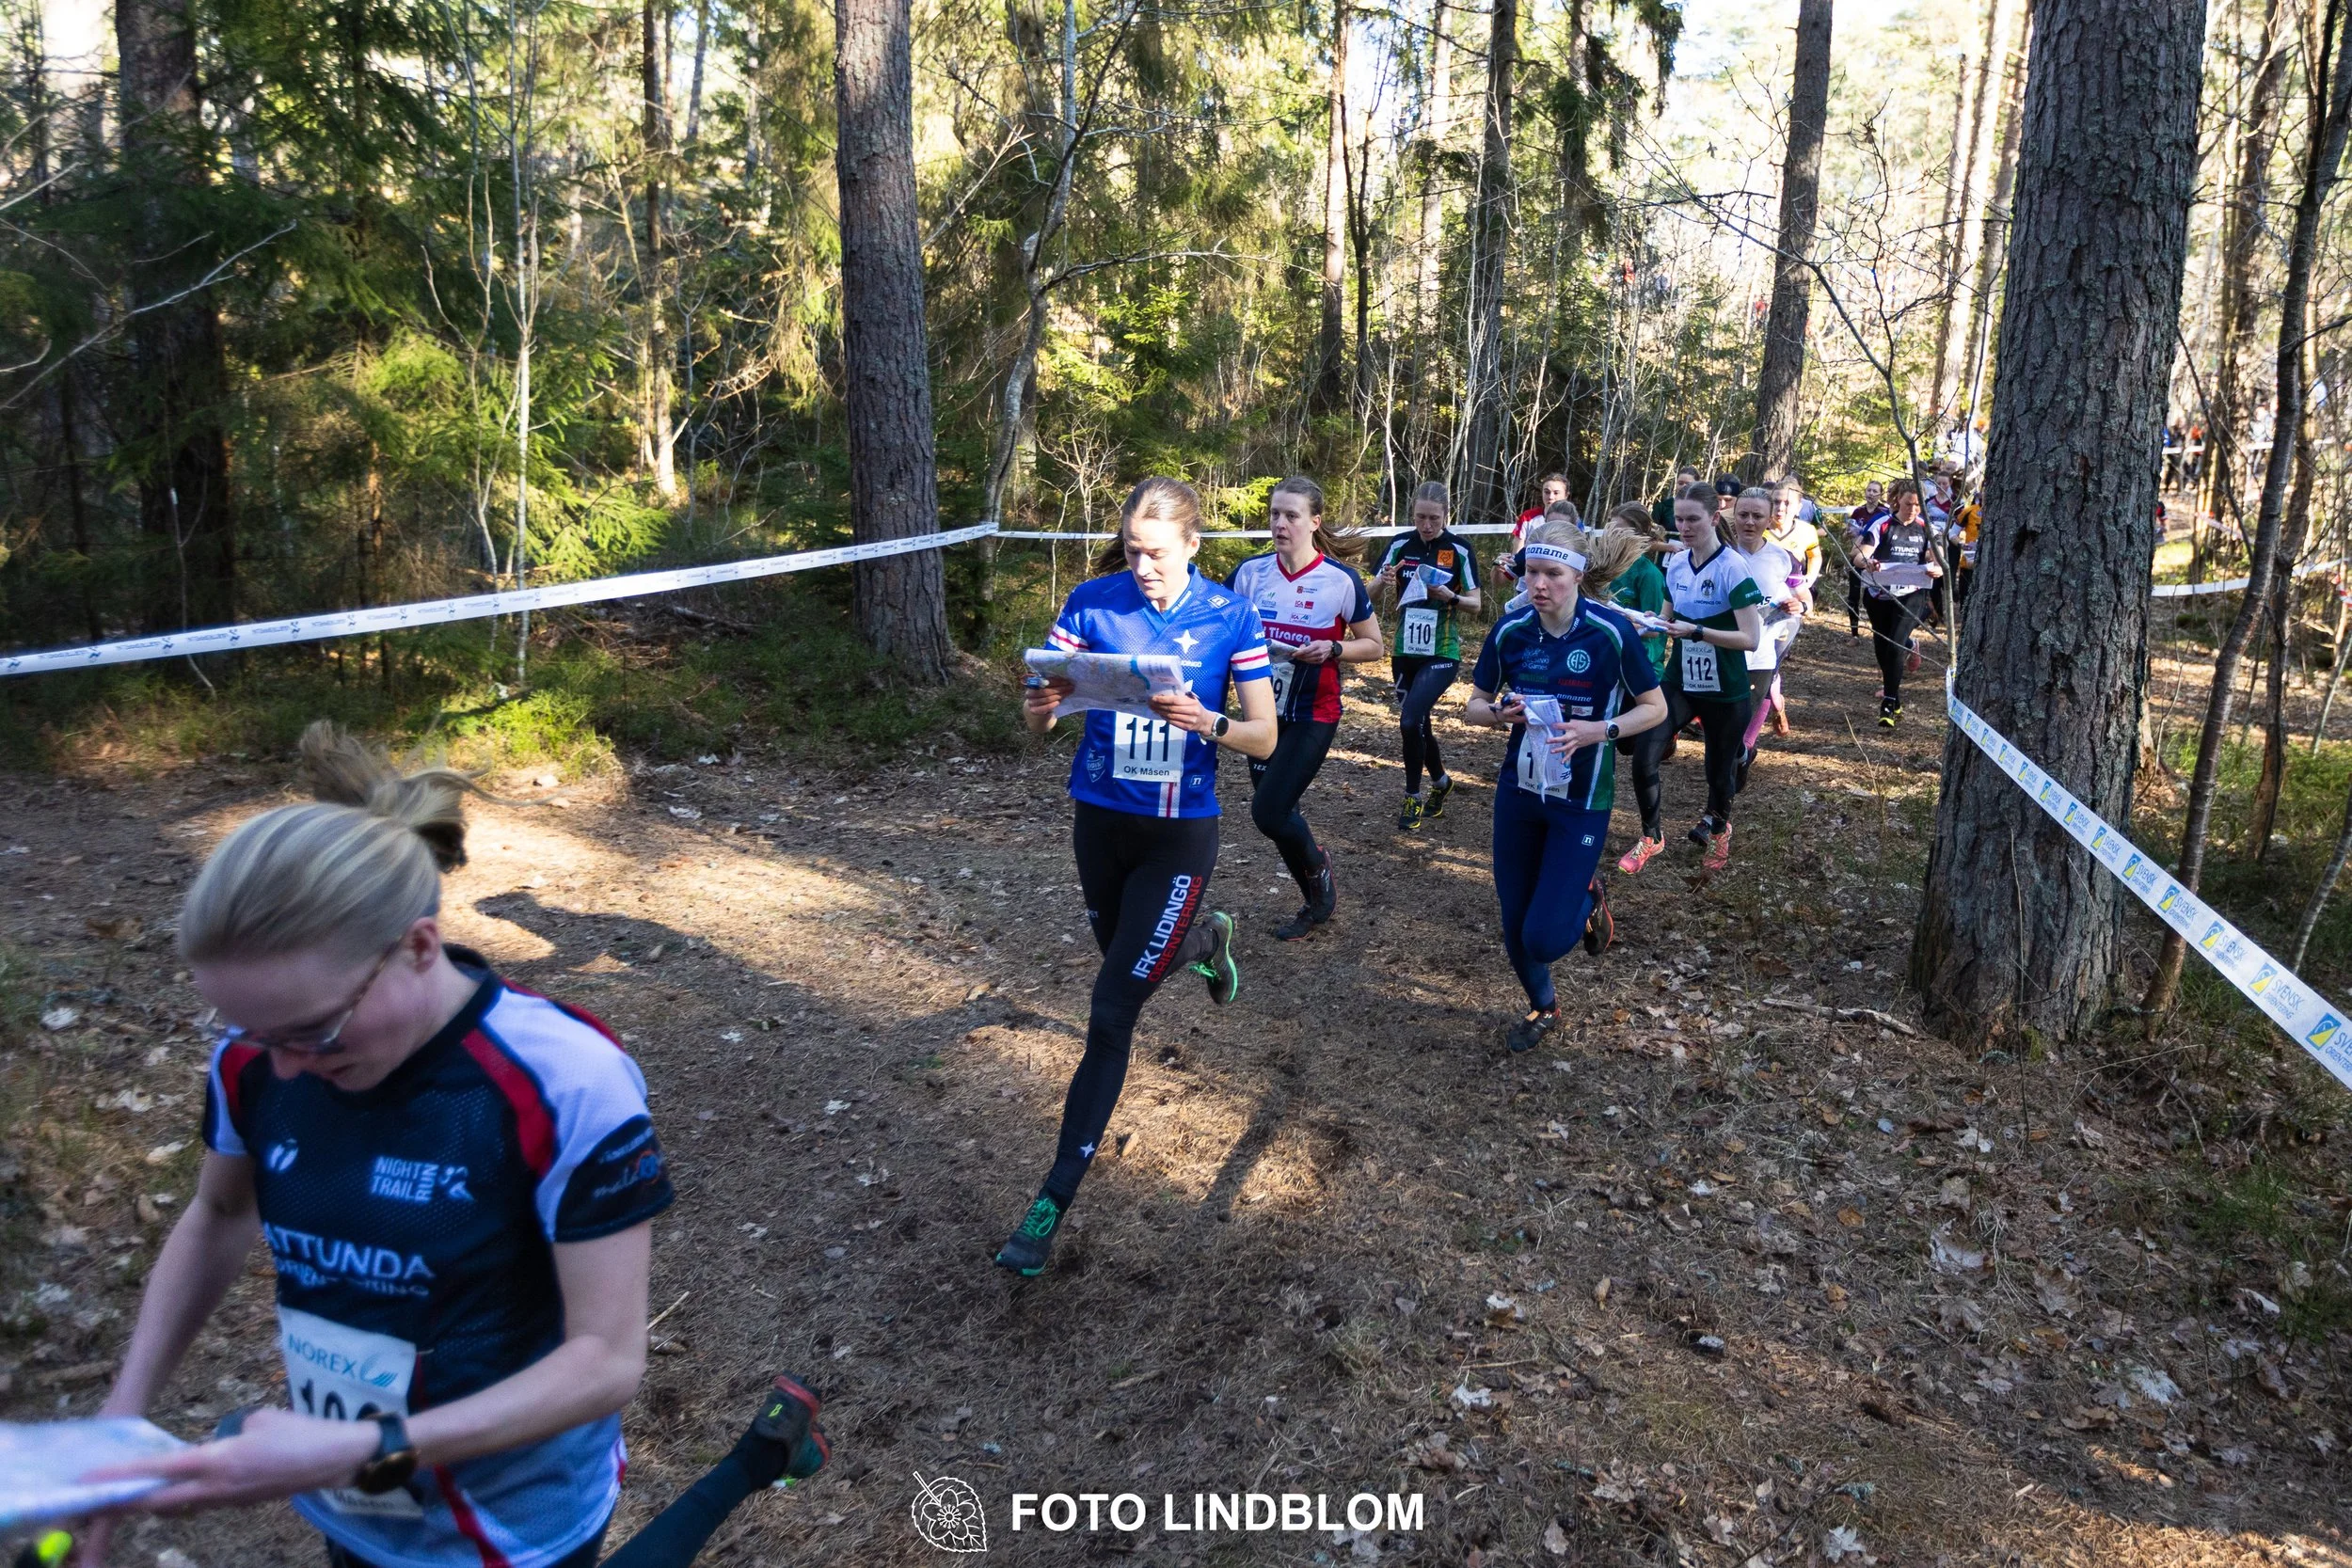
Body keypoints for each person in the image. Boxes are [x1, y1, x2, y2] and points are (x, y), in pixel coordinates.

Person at [70, 722, 739, 1568]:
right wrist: (122, 1419)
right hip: (352, 1504)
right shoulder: (258, 1055)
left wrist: (360, 1447)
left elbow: (606, 1361)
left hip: (512, 1528)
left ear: (419, 946)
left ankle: (751, 1462)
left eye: (315, 1028)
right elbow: (217, 1212)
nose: (283, 1066)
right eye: (245, 1028)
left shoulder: (565, 1080)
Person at [1004, 477, 1276, 1275]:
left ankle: (1051, 1198)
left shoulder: (1231, 614)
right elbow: (1036, 716)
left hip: (1179, 835)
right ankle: (1201, 940)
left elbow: (1263, 737)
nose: (1144, 565)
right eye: (1132, 550)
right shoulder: (1092, 601)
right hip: (1100, 822)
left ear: (1193, 545)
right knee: (1121, 960)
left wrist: (1210, 722)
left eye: (1157, 552)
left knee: (1111, 1006)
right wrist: (1045, 701)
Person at [1467, 517, 1668, 1053]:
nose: (1538, 586)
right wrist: (1499, 714)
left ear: (1577, 576)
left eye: (1551, 574)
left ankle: (1588, 896)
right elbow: (1473, 706)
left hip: (1581, 800)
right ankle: (1544, 1006)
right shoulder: (1510, 631)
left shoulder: (1608, 632)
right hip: (1520, 793)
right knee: (1515, 922)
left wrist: (1597, 730)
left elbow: (1656, 708)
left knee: (1547, 936)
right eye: (1530, 572)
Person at [1226, 476, 1381, 940]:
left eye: (1291, 515)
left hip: (1315, 713)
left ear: (1314, 522)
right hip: (1263, 714)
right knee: (1276, 811)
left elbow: (1374, 646)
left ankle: (1317, 872)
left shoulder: (1340, 581)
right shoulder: (1249, 574)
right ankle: (1316, 895)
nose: (1280, 523)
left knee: (1269, 812)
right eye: (1274, 514)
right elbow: (1221, 636)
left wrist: (1333, 649)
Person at [1661, 483, 1765, 869]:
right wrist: (1641, 624)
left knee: (1718, 771)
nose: (1684, 527)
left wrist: (1699, 632)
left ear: (1714, 518)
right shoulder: (1675, 563)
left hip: (1731, 679)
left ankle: (1717, 825)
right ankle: (1650, 833)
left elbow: (1751, 639)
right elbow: (1666, 616)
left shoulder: (1735, 566)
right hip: (1683, 677)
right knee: (1645, 742)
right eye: (1679, 519)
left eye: (1693, 519)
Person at [1374, 481, 1483, 830]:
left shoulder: (1460, 550)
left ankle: (1412, 797)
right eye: (1420, 517)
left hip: (1443, 651)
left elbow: (1477, 605)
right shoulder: (1399, 544)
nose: (1426, 525)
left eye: (1433, 518)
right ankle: (1441, 782)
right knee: (1420, 723)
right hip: (1405, 650)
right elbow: (1368, 594)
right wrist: (1383, 581)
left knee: (1409, 721)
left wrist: (1449, 596)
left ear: (1445, 515)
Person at [1599, 502, 1674, 874]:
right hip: (1610, 674)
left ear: (1642, 538)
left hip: (1645, 673)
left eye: (1622, 531)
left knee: (1642, 764)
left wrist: (1624, 625)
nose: (1614, 536)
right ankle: (1596, 821)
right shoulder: (1604, 570)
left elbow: (1655, 624)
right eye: (1610, 529)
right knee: (1610, 751)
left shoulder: (1648, 574)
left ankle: (1651, 835)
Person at [1730, 488, 1811, 789]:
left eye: (1757, 516)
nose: (1749, 522)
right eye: (1743, 515)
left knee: (1754, 697)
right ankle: (1736, 750)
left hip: (1771, 635)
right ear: (1734, 517)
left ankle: (1744, 748)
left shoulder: (1784, 558)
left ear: (1768, 521)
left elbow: (1802, 598)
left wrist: (1799, 605)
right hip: (1727, 641)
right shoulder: (1720, 553)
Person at [1852, 477, 1942, 726]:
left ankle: (1888, 704)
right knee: (1882, 648)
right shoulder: (1881, 524)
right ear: (1896, 502)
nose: (1913, 509)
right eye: (1907, 504)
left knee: (1895, 645)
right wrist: (1868, 562)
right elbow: (1859, 556)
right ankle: (1896, 695)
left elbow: (1939, 559)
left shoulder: (1925, 527)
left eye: (1917, 505)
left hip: (1912, 594)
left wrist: (1937, 568)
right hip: (1879, 595)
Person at [1843, 480, 1890, 639]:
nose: (1871, 493)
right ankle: (1854, 634)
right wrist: (1849, 533)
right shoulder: (1858, 511)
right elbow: (1847, 533)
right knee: (1853, 596)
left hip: (1877, 559)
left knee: (1876, 595)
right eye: (1869, 490)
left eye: (1875, 491)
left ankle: (1880, 630)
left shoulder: (1885, 512)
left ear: (1880, 494)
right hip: (1858, 555)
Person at [1652, 467, 1701, 534]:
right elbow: (1650, 536)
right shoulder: (1662, 507)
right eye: (1680, 483)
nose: (1683, 486)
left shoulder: (1702, 509)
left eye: (1688, 484)